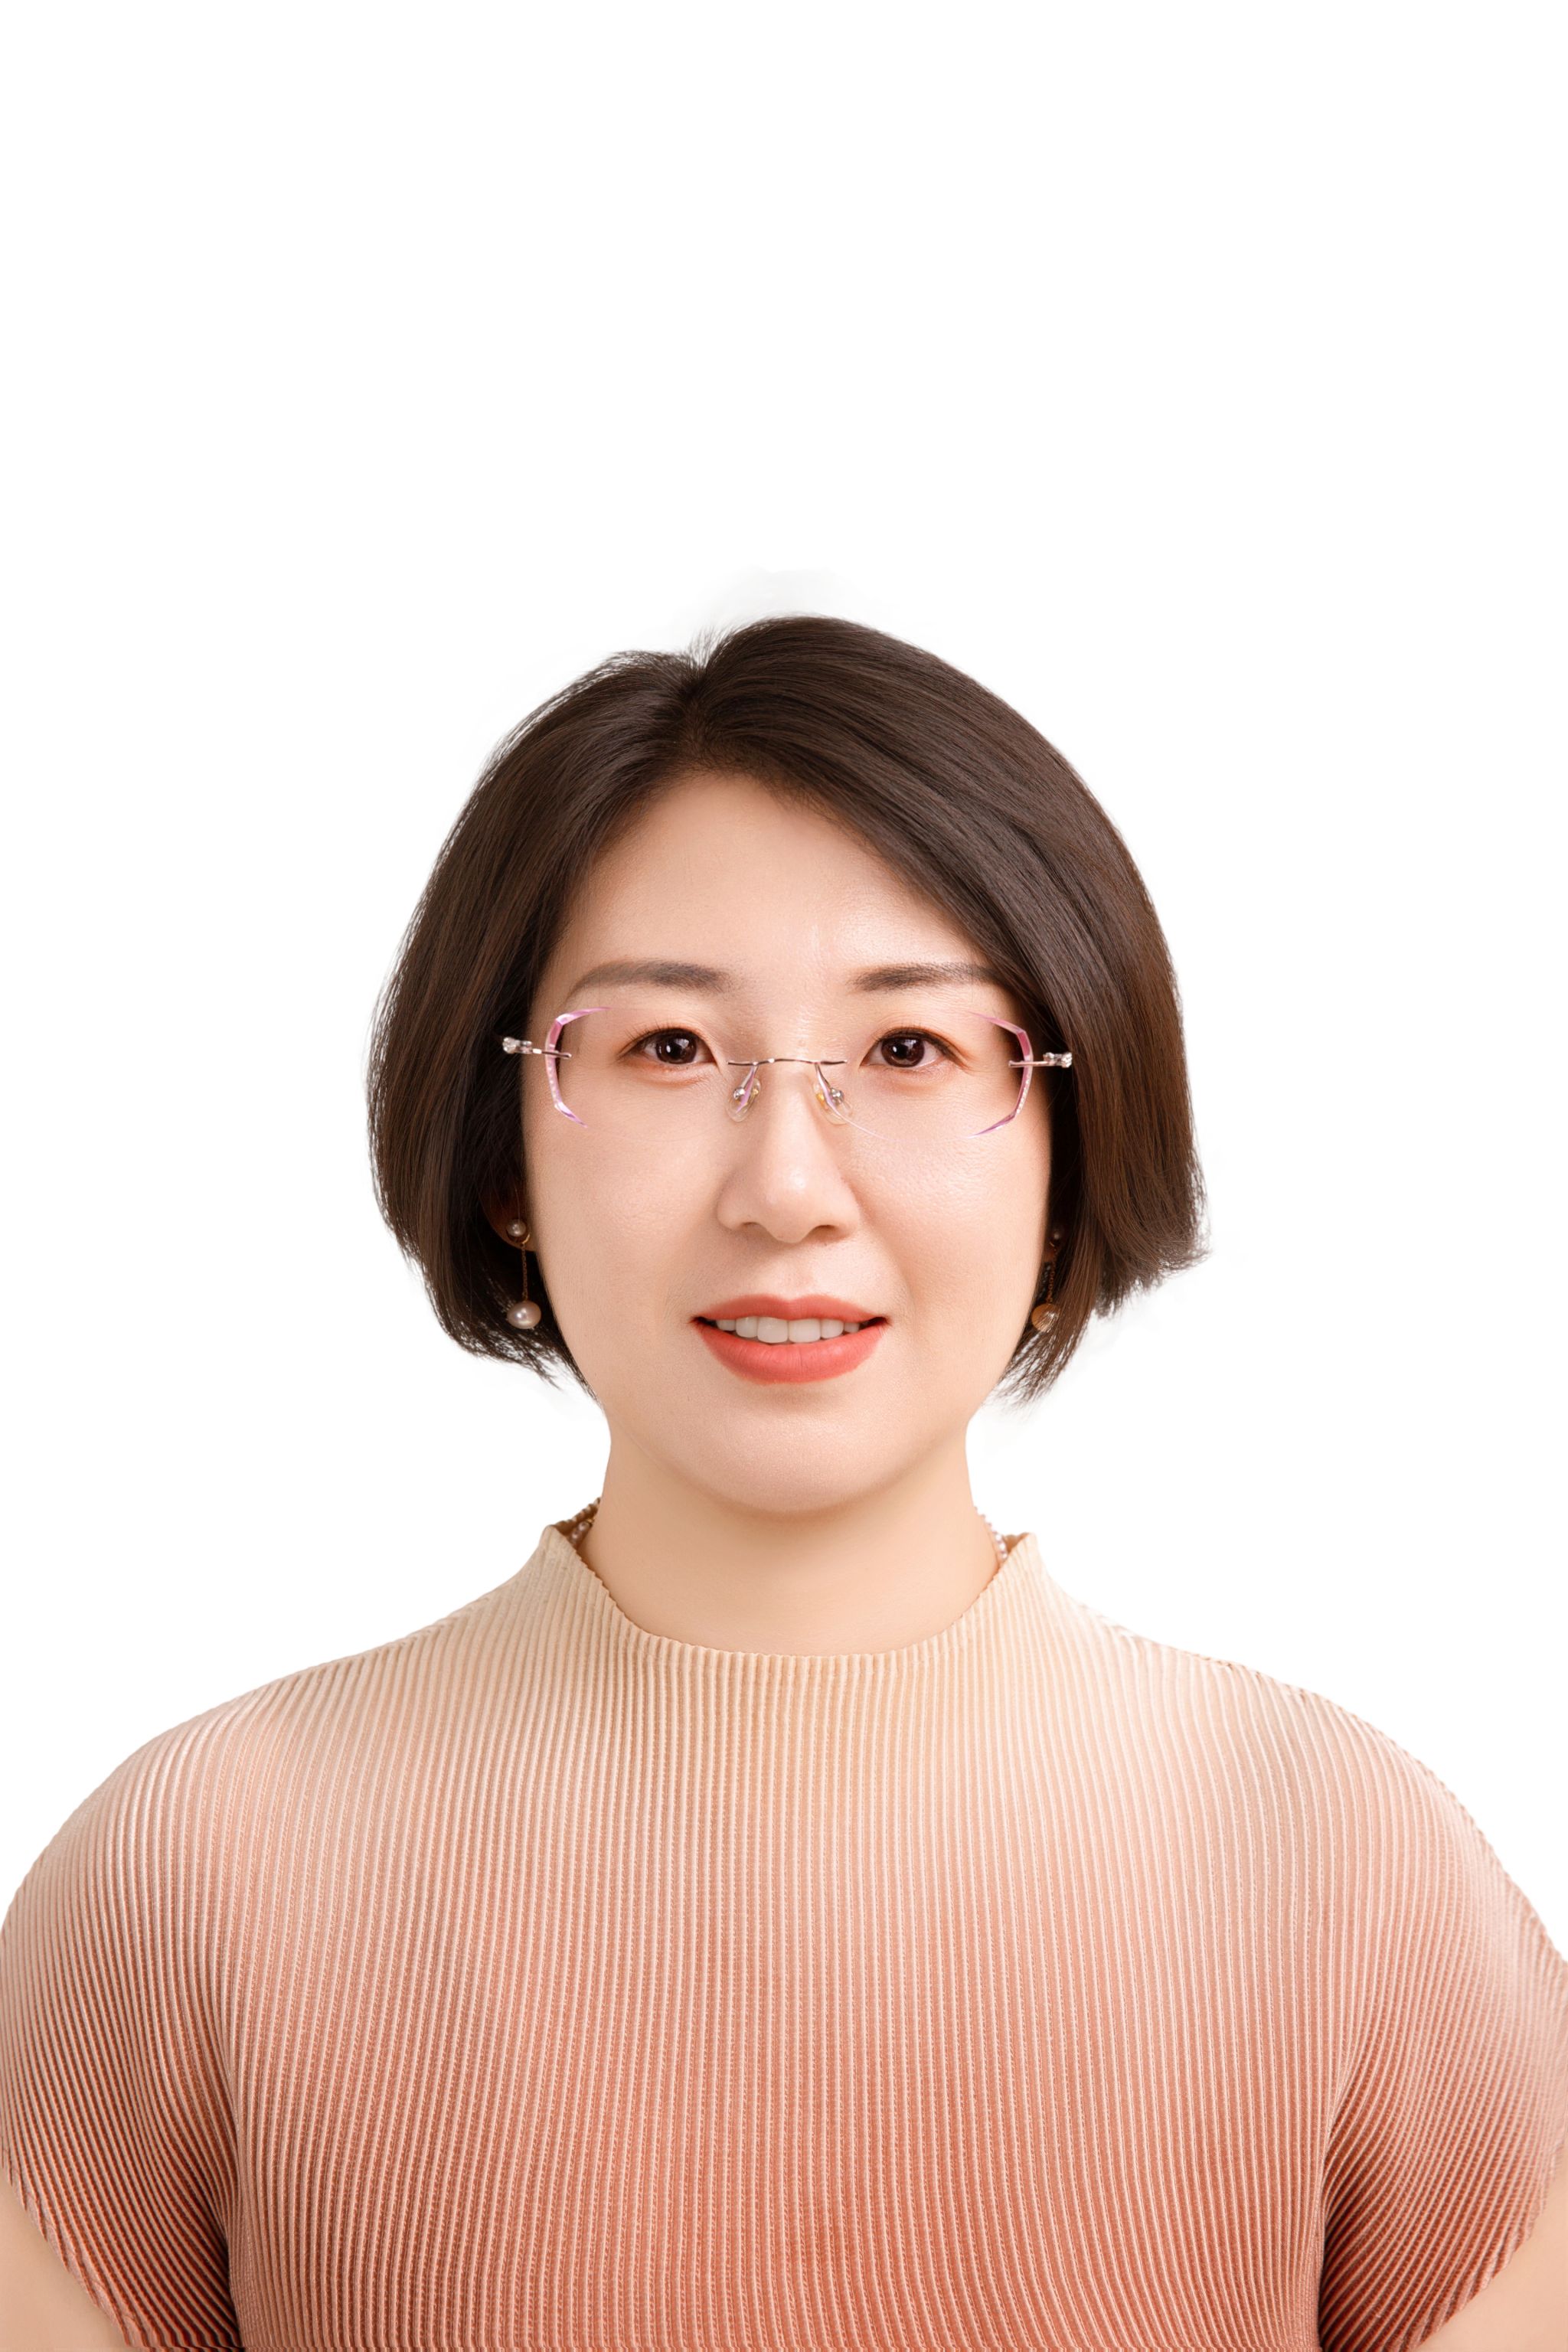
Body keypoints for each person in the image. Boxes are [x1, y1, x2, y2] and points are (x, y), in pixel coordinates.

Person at [2, 615, 1564, 2350]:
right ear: (505, 1158)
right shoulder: (193, 1880)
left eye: (911, 1052)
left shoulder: (1351, 1873)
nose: (789, 1188)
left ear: (1068, 1152)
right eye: (669, 1049)